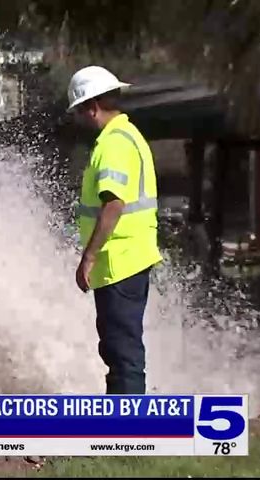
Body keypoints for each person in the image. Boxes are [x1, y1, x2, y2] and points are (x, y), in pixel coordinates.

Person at [67, 66, 162, 394]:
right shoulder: (127, 136)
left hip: (121, 260)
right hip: (125, 260)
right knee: (118, 347)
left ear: (91, 107)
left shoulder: (114, 144)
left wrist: (88, 257)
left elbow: (113, 204)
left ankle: (129, 429)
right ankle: (121, 424)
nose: (80, 119)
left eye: (80, 111)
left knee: (122, 351)